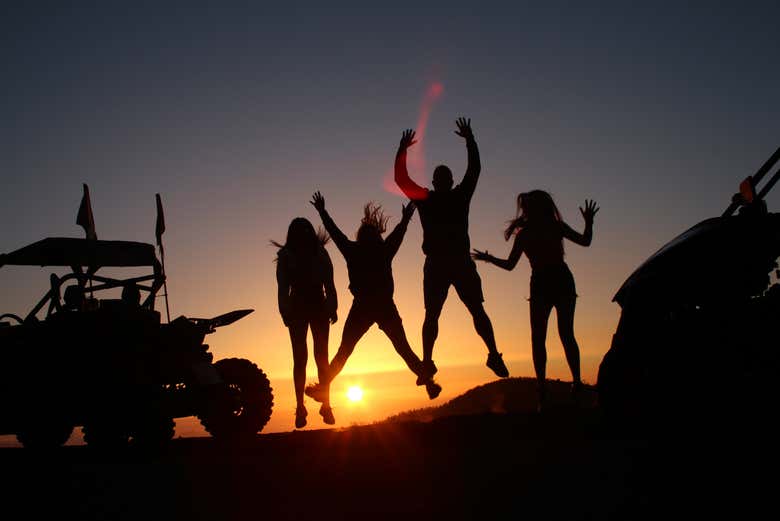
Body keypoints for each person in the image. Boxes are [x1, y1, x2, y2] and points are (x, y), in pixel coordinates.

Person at [394, 117, 509, 381]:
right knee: (463, 312)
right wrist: (470, 140)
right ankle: (485, 355)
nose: (443, 180)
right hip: (450, 262)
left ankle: (430, 362)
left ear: (436, 182)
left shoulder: (435, 198)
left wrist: (402, 150)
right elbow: (474, 169)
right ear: (444, 181)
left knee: (444, 314)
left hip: (447, 263)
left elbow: (402, 179)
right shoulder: (455, 197)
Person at [306, 191, 441, 409]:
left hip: (363, 307)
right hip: (384, 306)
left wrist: (323, 212)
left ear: (361, 237)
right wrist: (406, 219)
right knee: (402, 348)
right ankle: (429, 383)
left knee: (345, 351)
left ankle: (323, 387)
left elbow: (335, 233)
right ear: (376, 236)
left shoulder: (354, 250)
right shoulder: (383, 250)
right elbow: (398, 234)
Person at [472, 191, 598, 411]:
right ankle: (572, 386)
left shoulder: (528, 233)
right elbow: (585, 241)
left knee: (542, 338)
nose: (524, 210)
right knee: (564, 335)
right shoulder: (552, 227)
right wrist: (588, 223)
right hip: (559, 281)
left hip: (544, 283)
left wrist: (489, 259)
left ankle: (547, 392)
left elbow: (510, 265)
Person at [274, 217, 338, 428]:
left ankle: (325, 405)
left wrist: (332, 306)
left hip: (316, 306)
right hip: (299, 308)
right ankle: (301, 407)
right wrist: (285, 311)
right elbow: (282, 288)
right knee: (302, 359)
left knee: (320, 357)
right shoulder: (286, 256)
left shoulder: (319, 253)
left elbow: (329, 283)